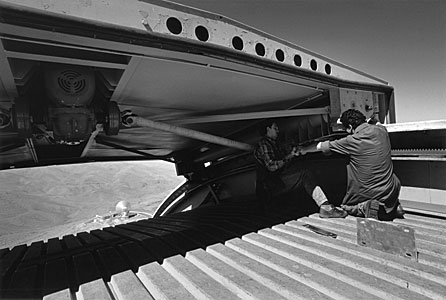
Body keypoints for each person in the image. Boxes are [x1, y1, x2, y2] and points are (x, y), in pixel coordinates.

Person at [316, 109, 404, 220]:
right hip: (390, 190)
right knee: (391, 178)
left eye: (345, 129)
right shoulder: (381, 130)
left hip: (368, 193)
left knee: (346, 206)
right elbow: (377, 122)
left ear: (350, 127)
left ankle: (365, 207)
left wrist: (300, 150)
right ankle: (394, 205)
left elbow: (320, 146)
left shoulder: (352, 140)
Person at [254, 120, 347, 218]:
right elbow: (272, 167)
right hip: (270, 185)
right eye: (275, 128)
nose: (278, 130)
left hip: (275, 182)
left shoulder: (273, 143)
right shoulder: (264, 144)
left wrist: (293, 152)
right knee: (305, 174)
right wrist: (289, 156)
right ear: (268, 129)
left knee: (304, 168)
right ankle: (325, 207)